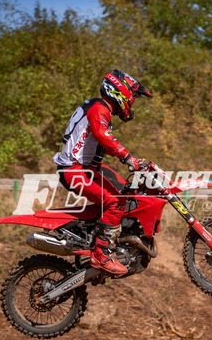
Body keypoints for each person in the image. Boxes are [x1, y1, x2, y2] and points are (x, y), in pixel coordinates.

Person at [53, 69, 152, 275]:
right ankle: (101, 254)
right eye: (132, 98)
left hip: (86, 169)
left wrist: (136, 162)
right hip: (75, 171)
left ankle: (109, 238)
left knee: (126, 192)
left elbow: (100, 142)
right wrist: (128, 157)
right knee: (116, 202)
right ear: (121, 93)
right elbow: (102, 135)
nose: (132, 103)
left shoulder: (98, 108)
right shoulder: (100, 109)